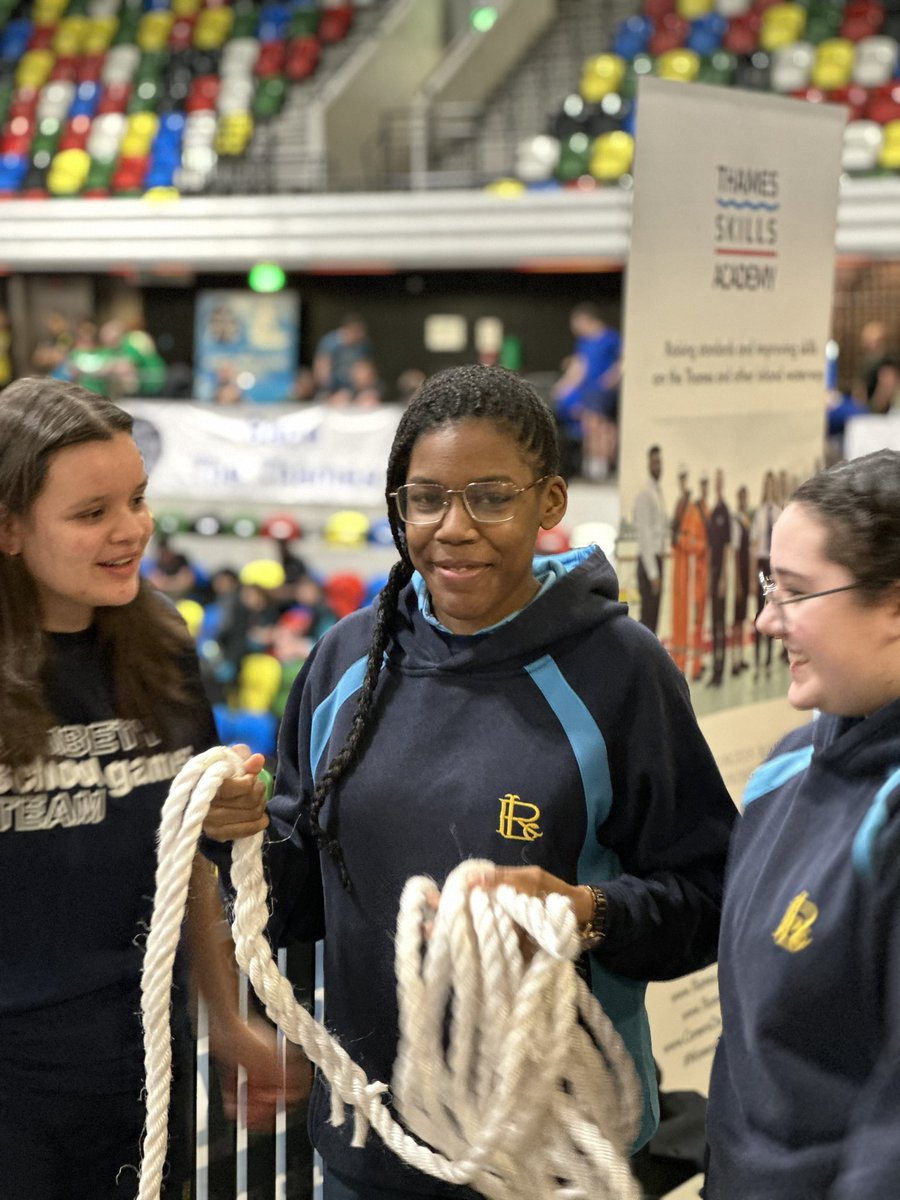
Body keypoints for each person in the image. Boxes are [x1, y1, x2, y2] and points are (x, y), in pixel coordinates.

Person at [202, 364, 737, 1200]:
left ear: (549, 502)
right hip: (367, 1141)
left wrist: (587, 913)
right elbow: (302, 890)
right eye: (425, 499)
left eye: (491, 497)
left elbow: (709, 895)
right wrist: (234, 836)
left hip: (549, 1157)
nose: (453, 528)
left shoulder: (619, 673)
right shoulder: (347, 660)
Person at [0, 377, 304, 1199]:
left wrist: (227, 1020)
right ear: (9, 529)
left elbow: (185, 868)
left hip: (143, 1067)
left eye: (136, 499)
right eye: (91, 513)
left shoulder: (160, 640)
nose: (131, 530)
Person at [705, 449, 900, 1199]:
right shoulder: (785, 770)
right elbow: (753, 1050)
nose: (763, 620)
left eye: (795, 592)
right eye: (768, 587)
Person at [551, 302, 621, 481]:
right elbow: (579, 368)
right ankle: (594, 463)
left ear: (585, 319)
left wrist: (611, 379)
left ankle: (603, 464)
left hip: (602, 391)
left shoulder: (610, 338)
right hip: (589, 391)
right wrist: (565, 386)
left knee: (601, 427)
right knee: (590, 425)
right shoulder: (584, 342)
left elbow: (623, 361)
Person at [632, 444, 668, 635]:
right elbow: (644, 535)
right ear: (649, 464)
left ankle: (650, 663)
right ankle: (643, 664)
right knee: (648, 620)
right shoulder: (645, 493)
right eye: (655, 462)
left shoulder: (657, 492)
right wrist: (653, 573)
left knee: (654, 621)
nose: (658, 466)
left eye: (660, 462)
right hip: (649, 564)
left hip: (657, 560)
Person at [750, 469, 781, 681]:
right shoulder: (760, 514)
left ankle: (769, 662)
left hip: (772, 568)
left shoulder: (779, 512)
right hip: (762, 567)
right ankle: (757, 662)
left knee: (771, 610)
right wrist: (754, 576)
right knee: (758, 612)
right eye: (767, 484)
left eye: (773, 484)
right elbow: (753, 547)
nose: (770, 488)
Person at [706, 469, 731, 688]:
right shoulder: (713, 512)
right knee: (714, 623)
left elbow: (728, 548)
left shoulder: (725, 511)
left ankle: (721, 670)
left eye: (720, 482)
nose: (717, 485)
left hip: (720, 576)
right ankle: (715, 669)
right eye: (716, 482)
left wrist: (724, 577)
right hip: (711, 575)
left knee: (721, 623)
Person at [313, 313, 373, 396]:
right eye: (358, 332)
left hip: (353, 386)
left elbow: (365, 367)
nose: (361, 335)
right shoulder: (330, 342)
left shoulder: (363, 344)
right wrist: (326, 385)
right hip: (333, 384)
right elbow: (322, 365)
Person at [729, 484, 751, 676]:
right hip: (739, 576)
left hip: (746, 573)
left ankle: (741, 657)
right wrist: (737, 582)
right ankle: (734, 661)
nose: (744, 500)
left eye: (746, 497)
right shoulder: (736, 522)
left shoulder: (746, 520)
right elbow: (735, 553)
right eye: (741, 497)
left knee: (743, 619)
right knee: (736, 621)